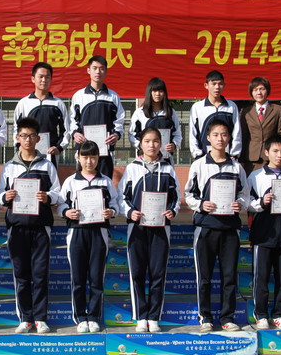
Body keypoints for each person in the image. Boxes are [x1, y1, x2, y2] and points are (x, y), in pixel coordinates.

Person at [0, 117, 62, 334]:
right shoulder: (9, 167)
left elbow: (58, 193)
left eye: (32, 136)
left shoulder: (47, 165)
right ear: (17, 138)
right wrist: (5, 197)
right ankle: (25, 318)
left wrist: (47, 197)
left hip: (41, 227)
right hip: (16, 227)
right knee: (21, 275)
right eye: (24, 136)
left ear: (38, 139)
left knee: (40, 274)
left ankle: (41, 318)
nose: (28, 140)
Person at [184, 119, 249, 333]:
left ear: (229, 138)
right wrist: (201, 204)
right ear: (208, 138)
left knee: (229, 276)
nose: (220, 139)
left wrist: (239, 204)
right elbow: (188, 194)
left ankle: (227, 317)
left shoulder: (236, 167)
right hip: (206, 228)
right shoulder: (199, 165)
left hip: (230, 229)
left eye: (224, 135)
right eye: (216, 135)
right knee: (204, 277)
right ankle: (205, 317)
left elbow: (245, 195)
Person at [118, 127, 180, 333]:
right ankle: (140, 316)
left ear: (160, 144)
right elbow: (122, 197)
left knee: (157, 273)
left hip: (161, 229)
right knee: (137, 273)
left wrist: (172, 211)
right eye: (147, 141)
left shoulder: (168, 169)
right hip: (137, 228)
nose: (151, 145)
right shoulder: (132, 168)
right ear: (140, 144)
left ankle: (154, 317)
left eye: (155, 141)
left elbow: (176, 197)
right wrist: (130, 212)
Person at [58, 140, 120, 333]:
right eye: (85, 157)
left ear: (98, 158)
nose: (89, 161)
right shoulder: (70, 181)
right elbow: (60, 205)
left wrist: (111, 212)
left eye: (93, 157)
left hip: (99, 233)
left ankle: (93, 316)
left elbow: (116, 204)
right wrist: (67, 212)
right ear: (78, 158)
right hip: (76, 233)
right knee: (78, 278)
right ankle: (79, 317)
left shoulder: (106, 181)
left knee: (96, 277)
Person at [247, 135, 281, 330]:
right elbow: (248, 203)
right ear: (266, 153)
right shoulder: (256, 176)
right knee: (261, 277)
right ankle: (261, 314)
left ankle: (279, 314)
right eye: (275, 151)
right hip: (263, 233)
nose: (280, 155)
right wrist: (262, 202)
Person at [70, 55, 125, 179]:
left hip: (105, 152)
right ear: (88, 70)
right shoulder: (79, 96)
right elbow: (73, 120)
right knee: (83, 184)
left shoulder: (113, 97)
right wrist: (75, 133)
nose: (98, 72)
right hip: (84, 151)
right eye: (94, 68)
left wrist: (116, 134)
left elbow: (119, 120)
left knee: (104, 183)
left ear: (106, 71)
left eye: (101, 68)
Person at [13, 62, 70, 168]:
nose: (44, 80)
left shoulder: (58, 104)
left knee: (48, 178)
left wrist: (59, 147)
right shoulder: (24, 103)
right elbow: (16, 128)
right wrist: (18, 146)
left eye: (47, 77)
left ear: (51, 79)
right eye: (41, 76)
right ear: (33, 79)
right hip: (28, 152)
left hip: (50, 155)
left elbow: (66, 130)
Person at [239, 77, 281, 176]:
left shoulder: (278, 110)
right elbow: (243, 136)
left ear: (267, 90)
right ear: (251, 92)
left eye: (262, 89)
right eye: (255, 90)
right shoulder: (246, 112)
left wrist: (276, 152)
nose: (259, 92)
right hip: (251, 159)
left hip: (270, 158)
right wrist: (242, 159)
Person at [189, 70, 242, 160]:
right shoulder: (197, 107)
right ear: (206, 85)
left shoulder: (231, 106)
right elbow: (193, 133)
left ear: (224, 85)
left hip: (227, 157)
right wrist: (197, 154)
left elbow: (237, 131)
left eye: (220, 84)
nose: (217, 87)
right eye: (213, 84)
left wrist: (234, 154)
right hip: (204, 157)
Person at [128, 77, 182, 163]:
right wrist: (141, 146)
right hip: (145, 160)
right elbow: (132, 134)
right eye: (154, 91)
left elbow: (177, 134)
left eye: (161, 91)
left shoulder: (171, 112)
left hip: (166, 159)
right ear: (149, 92)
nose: (157, 94)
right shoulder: (140, 113)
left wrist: (174, 144)